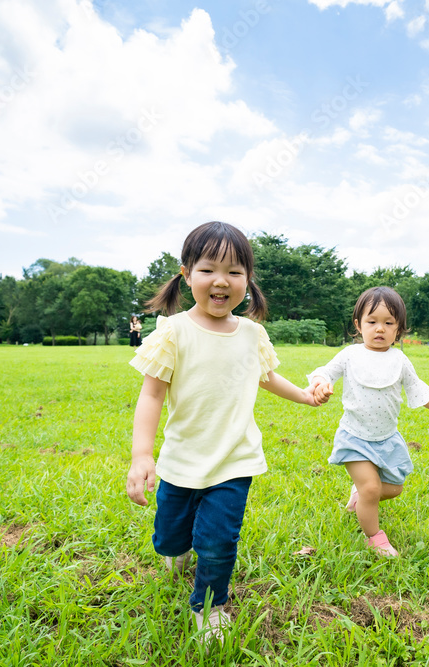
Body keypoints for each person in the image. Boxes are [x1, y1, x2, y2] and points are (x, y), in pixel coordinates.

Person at [125, 221, 327, 644]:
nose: (222, 281)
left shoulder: (252, 333)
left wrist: (306, 396)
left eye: (235, 272)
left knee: (218, 541)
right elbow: (152, 396)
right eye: (208, 270)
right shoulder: (173, 331)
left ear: (248, 280)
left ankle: (211, 605)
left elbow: (268, 377)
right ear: (186, 274)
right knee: (170, 537)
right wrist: (142, 454)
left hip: (235, 459)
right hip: (181, 459)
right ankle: (177, 552)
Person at [308, 286, 429, 557]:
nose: (379, 329)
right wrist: (321, 384)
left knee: (393, 489)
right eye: (372, 321)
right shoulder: (350, 355)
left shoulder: (400, 360)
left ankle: (359, 498)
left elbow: (421, 391)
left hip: (387, 439)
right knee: (371, 487)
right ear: (358, 325)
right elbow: (325, 372)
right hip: (354, 437)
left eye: (388, 323)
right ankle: (374, 537)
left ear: (398, 329)